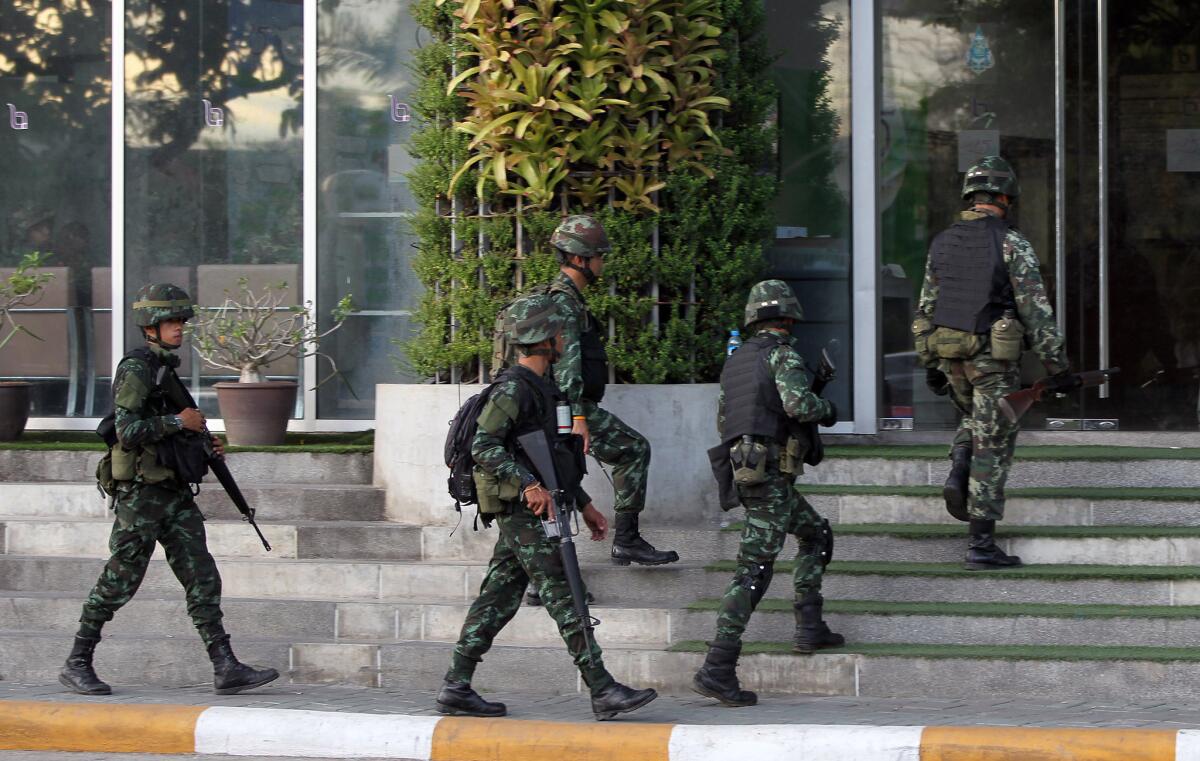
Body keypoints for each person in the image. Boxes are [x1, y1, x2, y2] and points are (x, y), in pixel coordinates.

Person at [437, 293, 658, 721]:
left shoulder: (545, 387)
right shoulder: (514, 389)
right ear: (542, 339)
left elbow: (555, 457)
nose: (563, 337)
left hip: (541, 504)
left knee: (499, 596)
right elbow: (484, 446)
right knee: (562, 588)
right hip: (524, 510)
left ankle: (456, 686)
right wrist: (527, 485)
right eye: (557, 331)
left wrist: (586, 503)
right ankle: (602, 687)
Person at [59, 283, 279, 696]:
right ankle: (77, 661)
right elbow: (126, 431)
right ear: (151, 327)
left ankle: (224, 665)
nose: (179, 328)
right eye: (171, 321)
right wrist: (181, 423)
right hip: (141, 496)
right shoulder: (137, 368)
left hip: (173, 492)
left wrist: (201, 442)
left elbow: (169, 428)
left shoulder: (165, 369)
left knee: (201, 575)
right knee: (121, 578)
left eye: (181, 321)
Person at [913, 156, 1070, 569]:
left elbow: (926, 307)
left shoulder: (942, 241)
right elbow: (1036, 311)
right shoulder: (1011, 243)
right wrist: (1058, 368)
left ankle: (959, 461)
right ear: (1005, 197)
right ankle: (981, 544)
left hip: (950, 357)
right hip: (991, 361)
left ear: (971, 196)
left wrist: (930, 363)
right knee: (994, 445)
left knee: (974, 422)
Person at [693, 280, 840, 708]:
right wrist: (827, 408)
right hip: (770, 477)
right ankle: (718, 666)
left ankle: (810, 625)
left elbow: (725, 418)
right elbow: (799, 406)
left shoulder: (736, 360)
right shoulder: (783, 354)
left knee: (816, 533)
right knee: (754, 569)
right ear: (789, 317)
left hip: (750, 470)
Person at [544, 215, 678, 567]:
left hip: (565, 407)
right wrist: (576, 417)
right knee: (631, 450)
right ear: (579, 259)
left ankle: (551, 575)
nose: (602, 262)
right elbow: (567, 366)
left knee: (560, 479)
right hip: (567, 408)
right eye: (598, 256)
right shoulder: (564, 302)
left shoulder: (566, 299)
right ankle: (625, 540)